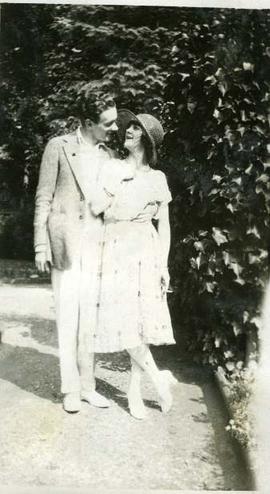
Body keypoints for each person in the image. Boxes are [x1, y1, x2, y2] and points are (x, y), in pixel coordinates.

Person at [33, 81, 119, 413]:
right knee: (68, 318)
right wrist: (41, 244)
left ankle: (88, 386)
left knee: (91, 322)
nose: (114, 129)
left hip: (96, 246)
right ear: (86, 122)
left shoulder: (108, 155)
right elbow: (43, 196)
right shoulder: (58, 146)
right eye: (107, 123)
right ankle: (70, 389)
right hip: (65, 245)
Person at [89, 110, 177, 420]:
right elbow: (96, 207)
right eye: (129, 126)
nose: (128, 131)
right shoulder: (111, 167)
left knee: (137, 325)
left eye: (136, 128)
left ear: (147, 141)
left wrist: (164, 266)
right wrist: (115, 184)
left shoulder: (157, 178)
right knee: (124, 321)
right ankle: (158, 381)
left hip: (145, 251)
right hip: (114, 248)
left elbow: (163, 225)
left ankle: (134, 391)